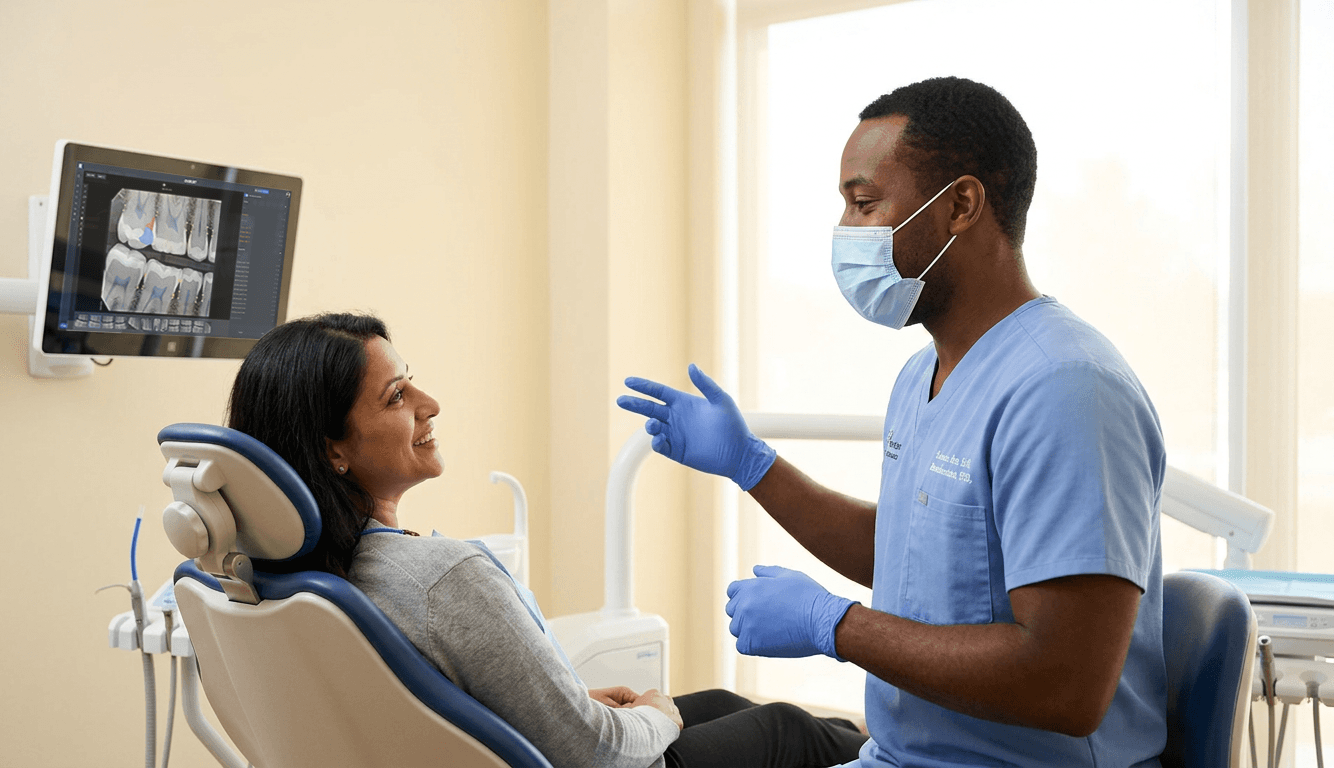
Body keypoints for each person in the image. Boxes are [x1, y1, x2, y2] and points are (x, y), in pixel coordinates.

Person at [618, 76, 1167, 767]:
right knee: (683, 731)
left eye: (865, 203)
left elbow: (1064, 684)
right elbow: (915, 558)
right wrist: (752, 466)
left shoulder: (1065, 388)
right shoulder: (924, 375)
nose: (847, 232)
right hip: (901, 754)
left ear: (961, 204)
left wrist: (834, 625)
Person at [226, 312, 867, 768]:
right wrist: (656, 719)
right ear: (333, 448)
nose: (430, 403)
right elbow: (591, 753)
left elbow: (413, 705)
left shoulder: (282, 579)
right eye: (397, 396)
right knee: (791, 731)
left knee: (727, 701)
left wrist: (558, 700)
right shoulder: (441, 577)